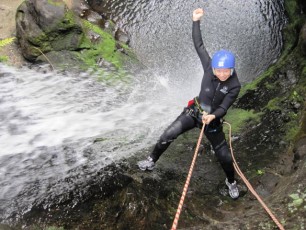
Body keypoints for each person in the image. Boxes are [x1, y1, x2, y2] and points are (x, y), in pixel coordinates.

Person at [137, 8, 241, 199]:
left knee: (225, 157)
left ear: (232, 70)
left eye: (226, 71)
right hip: (194, 112)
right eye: (219, 70)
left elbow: (224, 106)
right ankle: (151, 160)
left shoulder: (234, 85)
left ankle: (231, 181)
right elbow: (199, 45)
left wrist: (213, 116)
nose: (222, 74)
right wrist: (195, 21)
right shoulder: (209, 67)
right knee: (168, 134)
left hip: (213, 122)